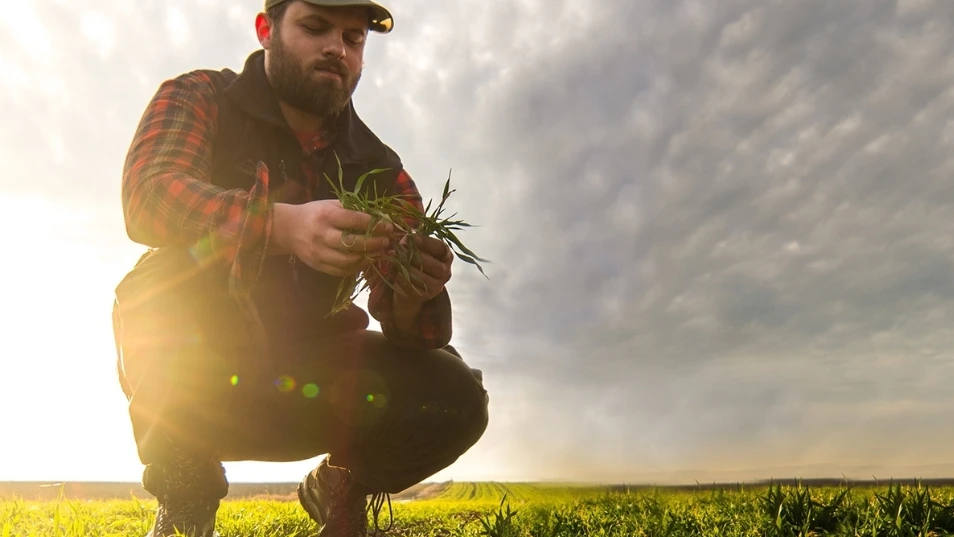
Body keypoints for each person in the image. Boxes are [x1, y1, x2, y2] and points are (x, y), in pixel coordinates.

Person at [111, 1, 490, 536]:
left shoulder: (379, 166)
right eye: (315, 27)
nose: (337, 47)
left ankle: (341, 486)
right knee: (157, 286)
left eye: (353, 38)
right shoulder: (201, 95)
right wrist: (278, 227)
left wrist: (412, 289)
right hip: (195, 378)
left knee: (456, 394)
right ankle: (185, 500)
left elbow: (413, 330)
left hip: (313, 382)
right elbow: (148, 196)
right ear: (267, 30)